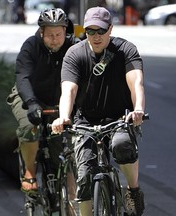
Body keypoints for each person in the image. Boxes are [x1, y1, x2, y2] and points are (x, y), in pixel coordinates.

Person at [51, 7, 146, 216]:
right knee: (84, 175)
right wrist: (64, 116)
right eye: (90, 31)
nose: (95, 36)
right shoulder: (75, 54)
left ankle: (132, 189)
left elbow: (136, 82)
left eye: (100, 31)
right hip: (85, 120)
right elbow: (69, 89)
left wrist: (138, 110)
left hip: (119, 117)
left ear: (110, 29)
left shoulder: (125, 50)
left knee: (122, 144)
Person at [6, 8, 79, 196]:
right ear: (41, 33)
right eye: (49, 35)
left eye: (58, 34)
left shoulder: (75, 47)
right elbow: (22, 77)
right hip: (29, 96)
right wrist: (31, 103)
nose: (54, 39)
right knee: (30, 127)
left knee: (61, 152)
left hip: (60, 102)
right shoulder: (31, 45)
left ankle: (67, 201)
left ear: (65, 31)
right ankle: (29, 172)